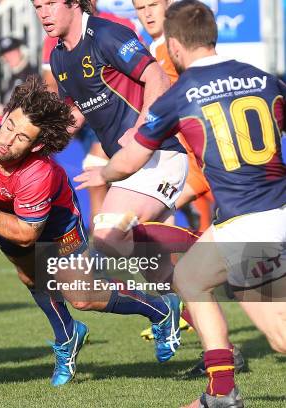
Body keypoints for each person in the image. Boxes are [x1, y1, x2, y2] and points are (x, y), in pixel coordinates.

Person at [0, 76, 182, 387]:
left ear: (37, 145)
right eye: (10, 126)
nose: (8, 139)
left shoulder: (36, 172)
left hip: (55, 221)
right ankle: (67, 336)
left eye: (21, 138)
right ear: (3, 117)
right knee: (31, 276)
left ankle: (160, 309)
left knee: (81, 296)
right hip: (3, 214)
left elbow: (27, 233)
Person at [77, 1, 286, 406]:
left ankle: (222, 393)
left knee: (275, 334)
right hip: (273, 212)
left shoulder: (179, 95)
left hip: (247, 225)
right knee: (196, 280)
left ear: (173, 46)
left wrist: (104, 173)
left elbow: (133, 159)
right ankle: (221, 390)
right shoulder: (263, 79)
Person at [34, 0, 201, 314]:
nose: (43, 13)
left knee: (108, 235)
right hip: (131, 167)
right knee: (161, 275)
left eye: (50, 4)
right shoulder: (58, 56)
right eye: (37, 6)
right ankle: (219, 350)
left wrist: (141, 130)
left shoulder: (107, 34)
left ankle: (202, 250)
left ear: (73, 4)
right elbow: (77, 113)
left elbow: (158, 78)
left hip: (157, 156)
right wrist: (40, 146)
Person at [133, 0, 214, 234]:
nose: (147, 14)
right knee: (153, 222)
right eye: (140, 8)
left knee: (146, 217)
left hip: (198, 156)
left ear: (168, 4)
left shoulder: (175, 48)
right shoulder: (153, 49)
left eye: (153, 5)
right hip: (176, 155)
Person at [0, 37, 37, 106]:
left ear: (21, 51)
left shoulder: (32, 76)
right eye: (5, 54)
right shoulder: (11, 78)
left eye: (12, 52)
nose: (8, 57)